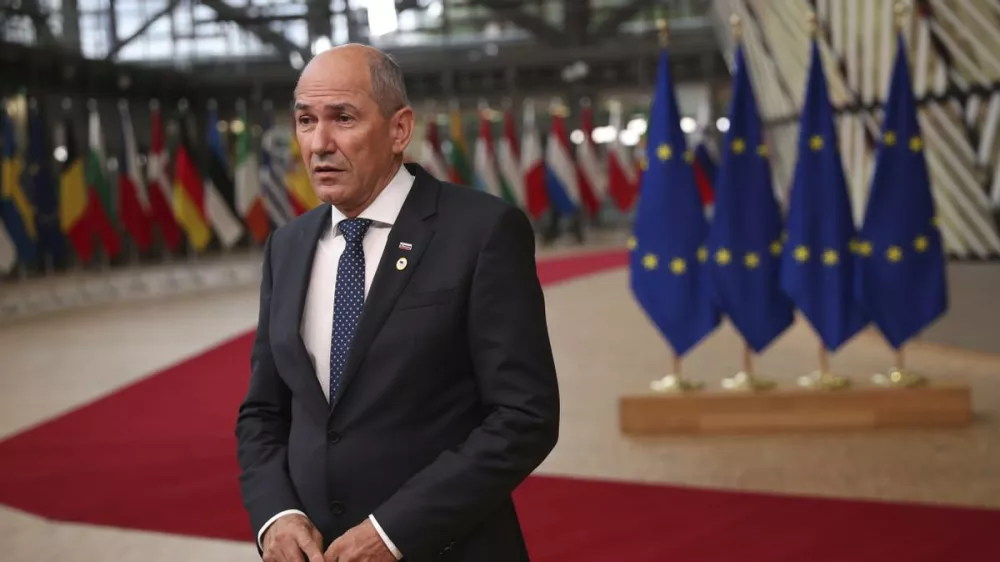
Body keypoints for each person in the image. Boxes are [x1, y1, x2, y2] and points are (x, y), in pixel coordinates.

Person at [235, 43, 560, 562]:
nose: (319, 142)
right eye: (305, 120)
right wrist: (276, 515)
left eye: (343, 118)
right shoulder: (288, 247)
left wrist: (393, 532)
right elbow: (263, 411)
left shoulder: (482, 232)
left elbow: (525, 415)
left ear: (399, 130)